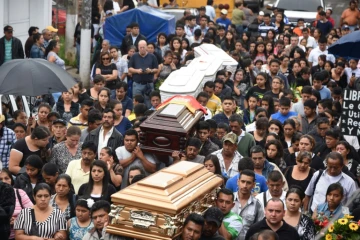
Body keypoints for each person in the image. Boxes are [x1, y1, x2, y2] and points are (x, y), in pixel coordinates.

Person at [0, 168, 33, 240]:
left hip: (18, 236)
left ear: (11, 179)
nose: (4, 181)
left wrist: (18, 222)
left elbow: (33, 214)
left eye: (6, 178)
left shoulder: (20, 193)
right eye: (0, 179)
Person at [232, 170, 264, 240]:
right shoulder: (229, 200)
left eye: (248, 183)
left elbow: (259, 228)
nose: (245, 186)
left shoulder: (257, 205)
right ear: (238, 182)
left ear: (253, 185)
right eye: (243, 181)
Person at [128, 40, 159, 109]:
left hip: (149, 84)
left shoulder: (152, 56)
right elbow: (129, 69)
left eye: (143, 47)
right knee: (137, 104)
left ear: (146, 47)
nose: (142, 49)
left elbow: (156, 69)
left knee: (149, 104)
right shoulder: (134, 56)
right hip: (137, 84)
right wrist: (137, 71)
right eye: (140, 47)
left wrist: (150, 71)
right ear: (138, 47)